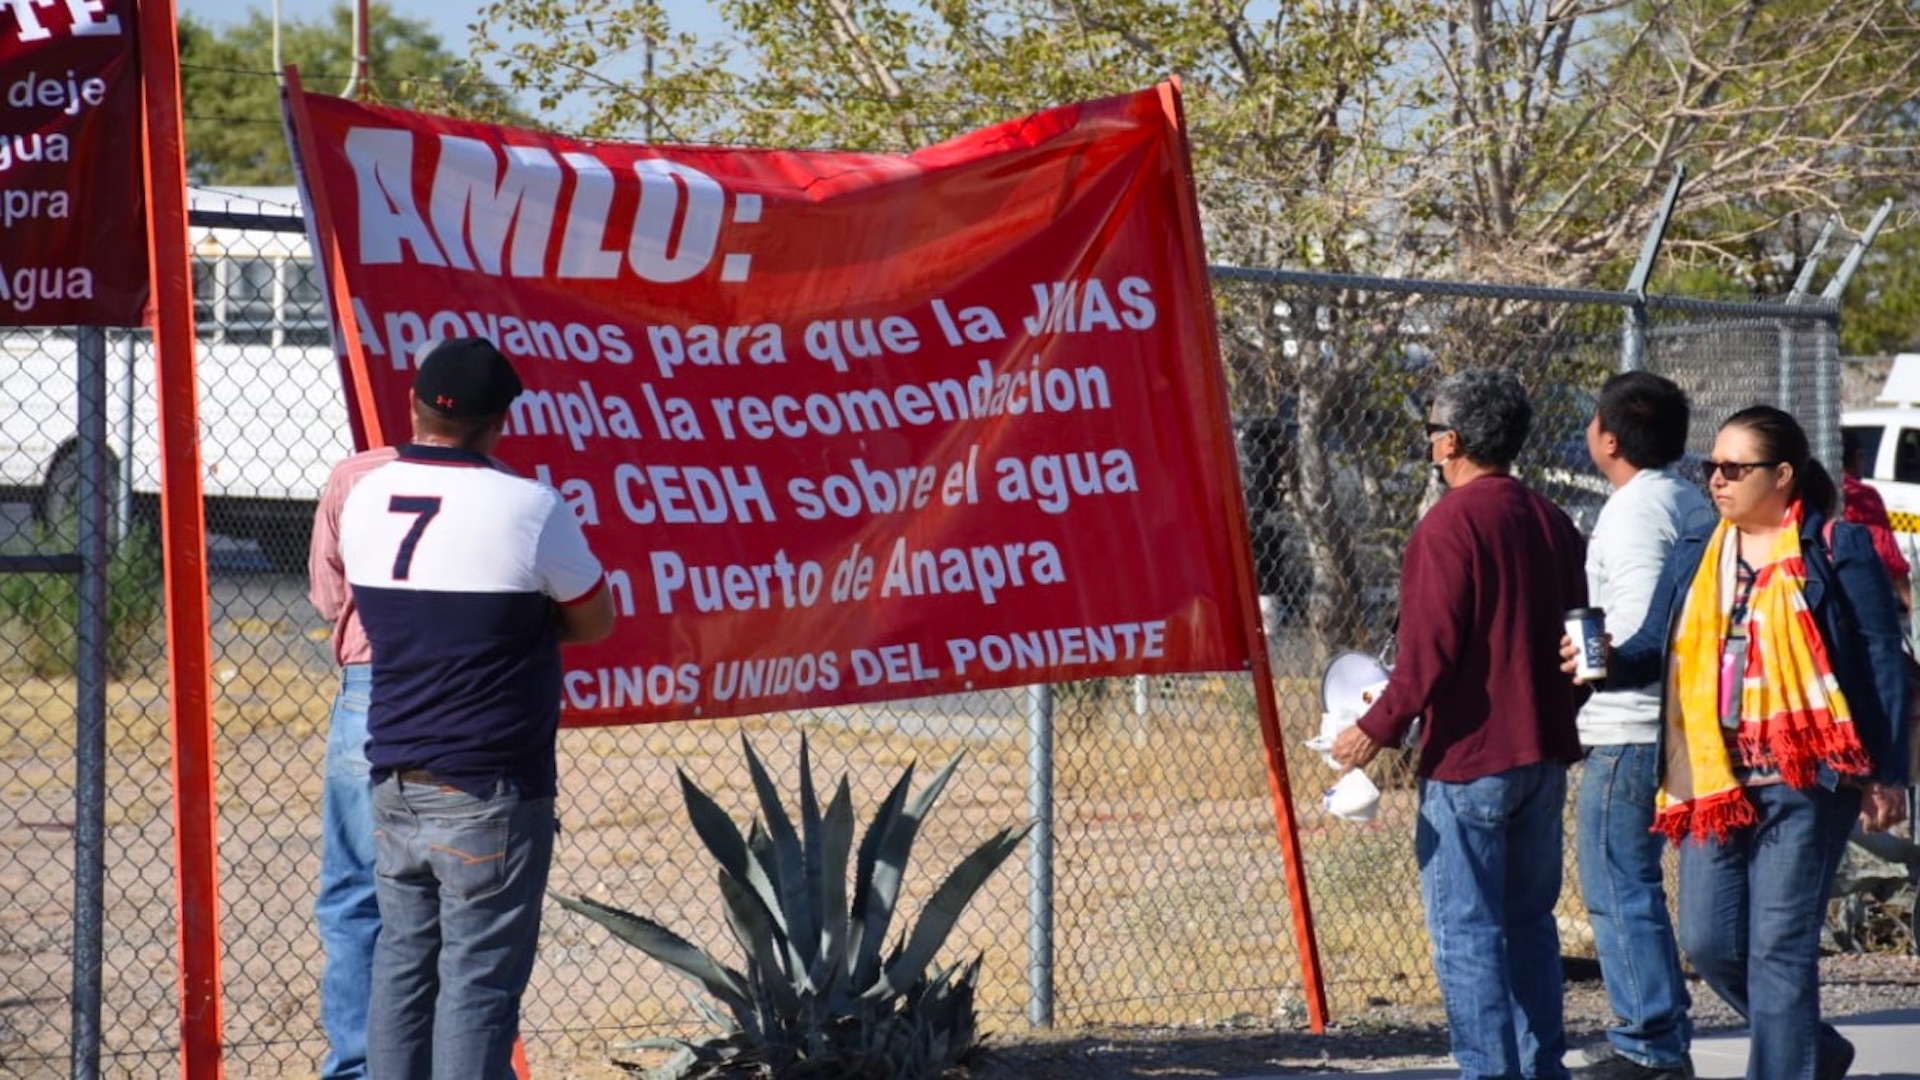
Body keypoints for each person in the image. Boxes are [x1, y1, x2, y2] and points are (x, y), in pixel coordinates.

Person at [1588, 405, 1910, 1080]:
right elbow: (1652, 649)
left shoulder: (1836, 547)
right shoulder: (1699, 549)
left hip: (1807, 775)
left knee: (1779, 949)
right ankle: (1815, 1049)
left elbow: (1882, 658)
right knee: (1710, 942)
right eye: (1712, 467)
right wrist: (1605, 661)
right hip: (1713, 780)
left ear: (1782, 474)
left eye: (1735, 469)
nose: (1717, 480)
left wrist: (1886, 772)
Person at [340, 336, 615, 1079]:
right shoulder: (528, 507)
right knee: (478, 986)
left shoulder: (363, 497)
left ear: (413, 407)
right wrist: (526, 625)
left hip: (394, 776)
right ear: (500, 422)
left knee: (401, 970)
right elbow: (595, 619)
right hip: (488, 786)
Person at [1332, 367, 1589, 1080]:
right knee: (1529, 925)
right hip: (1543, 754)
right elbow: (1581, 638)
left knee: (1467, 931)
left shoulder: (1447, 526)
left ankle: (1489, 1071)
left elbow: (1428, 657)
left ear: (1451, 442)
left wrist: (1374, 729)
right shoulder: (1552, 521)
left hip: (1472, 760)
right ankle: (1541, 1068)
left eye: (1432, 433)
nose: (1429, 444)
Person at [1572, 373, 1715, 1080]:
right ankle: (1660, 1037)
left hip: (1629, 727)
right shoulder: (1686, 498)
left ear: (1608, 438)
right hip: (1672, 724)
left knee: (1618, 887)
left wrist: (1587, 661)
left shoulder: (1632, 513)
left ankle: (1648, 1047)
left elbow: (1630, 635)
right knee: (1636, 886)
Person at [309, 443, 399, 1079]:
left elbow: (327, 596)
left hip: (374, 678)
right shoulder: (505, 478)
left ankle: (358, 1066)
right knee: (461, 897)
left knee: (354, 892)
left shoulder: (356, 475)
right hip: (475, 686)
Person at [1839, 430, 1912, 612]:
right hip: (1862, 595)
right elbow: (1886, 552)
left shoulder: (1808, 493)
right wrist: (1911, 601)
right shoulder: (1862, 496)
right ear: (1858, 457)